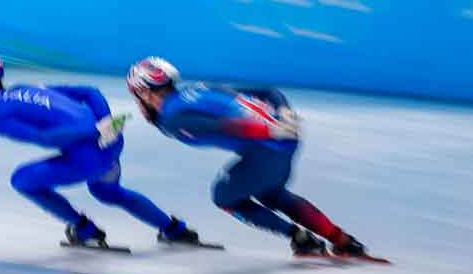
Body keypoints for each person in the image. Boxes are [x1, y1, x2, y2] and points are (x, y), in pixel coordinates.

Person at [126, 56, 375, 259]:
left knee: (224, 197)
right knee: (271, 194)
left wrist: (270, 130)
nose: (138, 104)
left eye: (136, 97)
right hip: (284, 141)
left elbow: (222, 127)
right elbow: (269, 92)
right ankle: (343, 241)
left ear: (145, 94)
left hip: (268, 146)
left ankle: (301, 238)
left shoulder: (173, 118)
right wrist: (284, 114)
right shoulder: (199, 88)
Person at [0, 52, 202, 250]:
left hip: (89, 156)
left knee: (22, 180)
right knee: (109, 193)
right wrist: (105, 125)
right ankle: (175, 230)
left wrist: (93, 131)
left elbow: (44, 137)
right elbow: (90, 92)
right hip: (112, 144)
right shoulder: (22, 87)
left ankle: (84, 230)